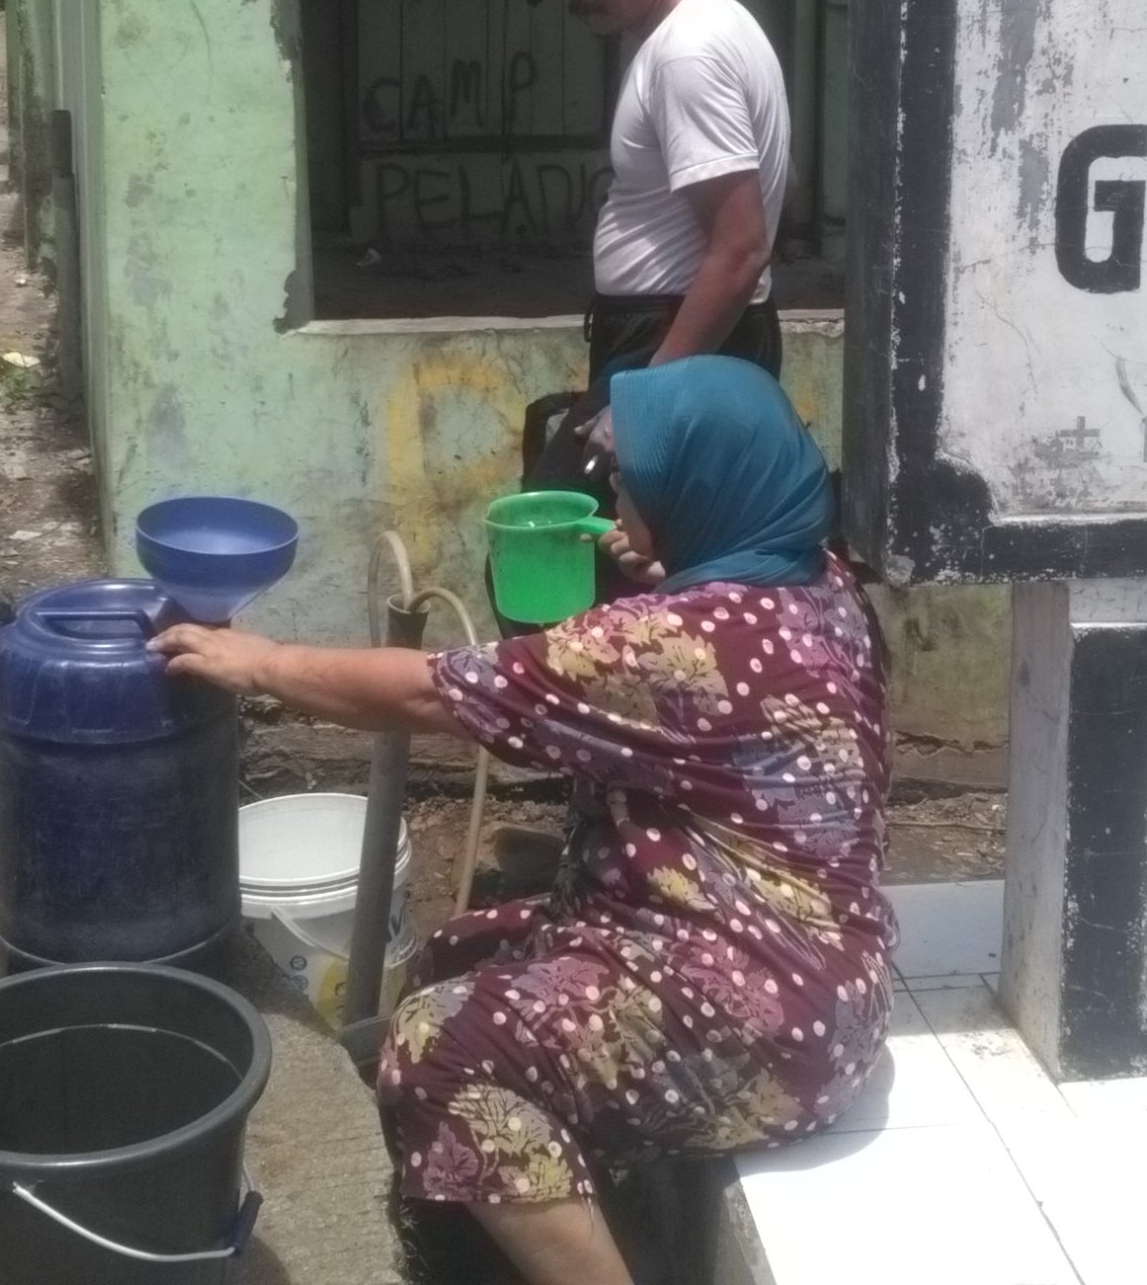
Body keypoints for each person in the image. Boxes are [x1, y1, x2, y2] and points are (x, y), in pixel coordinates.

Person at [155, 357, 894, 1285]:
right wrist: (677, 563)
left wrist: (261, 662)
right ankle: (577, 1205)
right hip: (818, 970)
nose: (613, 499)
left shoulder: (675, 647)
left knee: (440, 1050)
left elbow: (435, 694)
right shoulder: (817, 586)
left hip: (771, 1026)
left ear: (698, 490)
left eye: (631, 484)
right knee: (459, 952)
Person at [528, 0, 793, 509]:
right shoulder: (701, 28)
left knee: (557, 537)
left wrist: (647, 402)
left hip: (678, 340)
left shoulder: (688, 51)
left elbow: (739, 250)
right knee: (647, 564)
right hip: (683, 340)